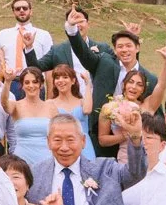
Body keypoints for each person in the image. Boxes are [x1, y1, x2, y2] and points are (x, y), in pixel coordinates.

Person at [48, 10, 157, 156]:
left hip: (134, 141)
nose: (124, 50)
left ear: (137, 48)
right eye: (120, 47)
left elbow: (156, 112)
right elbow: (84, 54)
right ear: (115, 50)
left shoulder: (150, 78)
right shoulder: (104, 62)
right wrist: (72, 30)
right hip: (102, 136)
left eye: (129, 46)